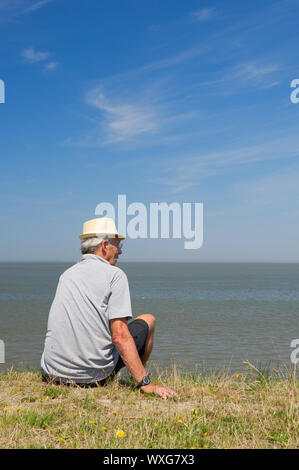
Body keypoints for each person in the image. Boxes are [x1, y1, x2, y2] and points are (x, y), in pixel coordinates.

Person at [41, 217, 177, 400]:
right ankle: (137, 380)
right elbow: (119, 336)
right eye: (118, 246)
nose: (120, 251)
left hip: (53, 374)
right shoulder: (115, 275)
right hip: (92, 379)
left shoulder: (67, 275)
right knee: (148, 320)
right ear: (104, 246)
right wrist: (147, 384)